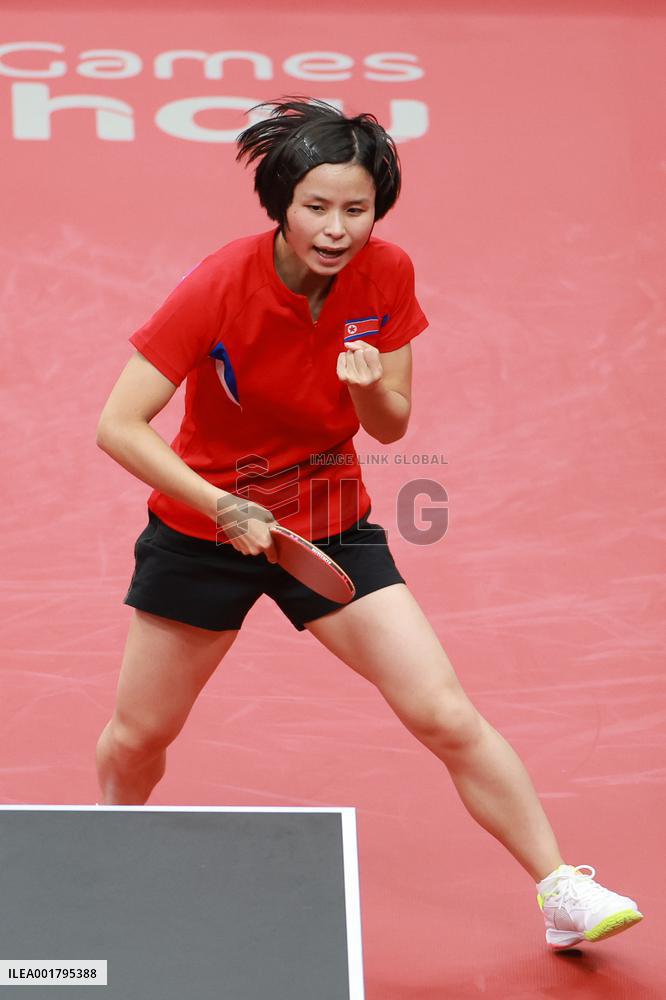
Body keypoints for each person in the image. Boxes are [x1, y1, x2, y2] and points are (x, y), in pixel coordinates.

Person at [95, 97, 642, 950]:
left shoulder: (386, 276)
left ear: (377, 209)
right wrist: (224, 505)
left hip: (327, 529)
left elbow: (391, 427)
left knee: (445, 712)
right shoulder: (219, 284)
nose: (336, 228)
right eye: (316, 206)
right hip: (207, 531)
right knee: (139, 735)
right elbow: (119, 425)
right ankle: (107, 852)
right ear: (281, 202)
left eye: (356, 209)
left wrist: (362, 386)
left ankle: (559, 886)